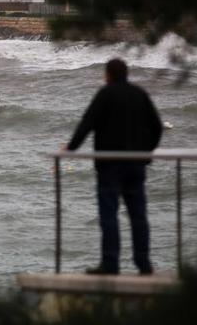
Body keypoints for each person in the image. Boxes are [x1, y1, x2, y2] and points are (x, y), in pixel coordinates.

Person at [65, 58, 163, 275]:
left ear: (108, 75)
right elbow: (157, 126)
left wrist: (70, 148)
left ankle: (111, 263)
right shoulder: (140, 94)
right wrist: (147, 152)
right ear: (126, 74)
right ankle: (144, 264)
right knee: (138, 215)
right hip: (136, 165)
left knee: (109, 215)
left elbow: (87, 124)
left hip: (110, 166)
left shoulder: (105, 94)